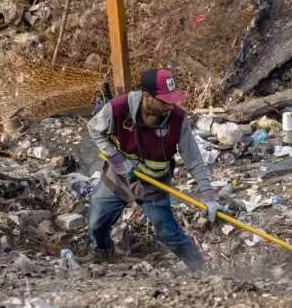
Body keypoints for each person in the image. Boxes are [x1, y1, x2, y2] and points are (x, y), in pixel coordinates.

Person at [87, 68, 218, 270]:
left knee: (169, 234)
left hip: (153, 185)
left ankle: (201, 270)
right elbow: (94, 128)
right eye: (165, 101)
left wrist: (209, 197)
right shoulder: (119, 108)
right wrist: (117, 160)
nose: (170, 106)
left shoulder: (178, 120)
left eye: (173, 100)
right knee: (96, 223)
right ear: (147, 97)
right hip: (118, 178)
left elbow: (194, 160)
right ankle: (104, 251)